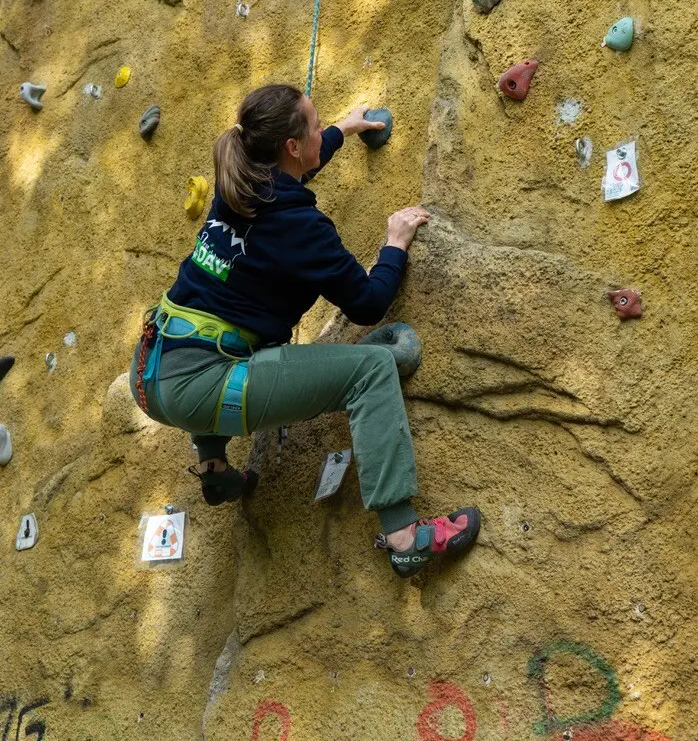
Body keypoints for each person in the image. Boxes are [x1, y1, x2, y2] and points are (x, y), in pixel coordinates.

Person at [129, 84, 480, 577]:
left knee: (222, 347)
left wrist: (342, 130)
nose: (322, 128)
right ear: (292, 146)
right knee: (372, 370)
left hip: (150, 371)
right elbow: (368, 304)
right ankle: (405, 538)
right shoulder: (304, 230)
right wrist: (394, 243)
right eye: (316, 125)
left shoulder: (235, 185)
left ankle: (214, 468)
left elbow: (294, 175)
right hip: (199, 388)